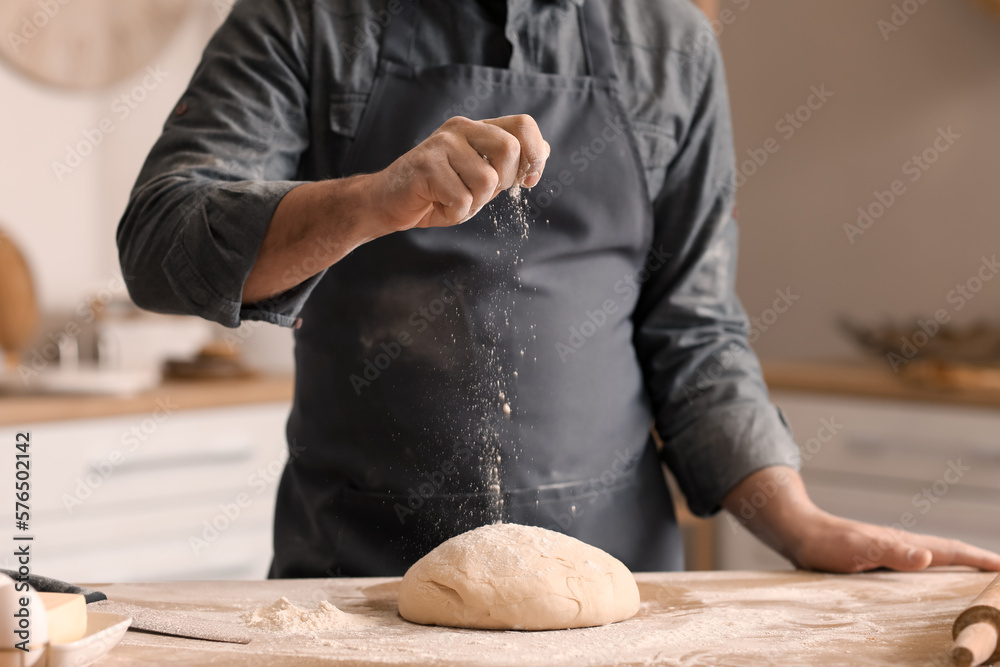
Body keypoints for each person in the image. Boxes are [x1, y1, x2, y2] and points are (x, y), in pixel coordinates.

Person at [117, 0, 1000, 578]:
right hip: (354, 580)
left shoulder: (672, 46)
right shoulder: (308, 19)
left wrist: (797, 522)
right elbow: (160, 239)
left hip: (616, 579)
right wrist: (372, 201)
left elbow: (693, 330)